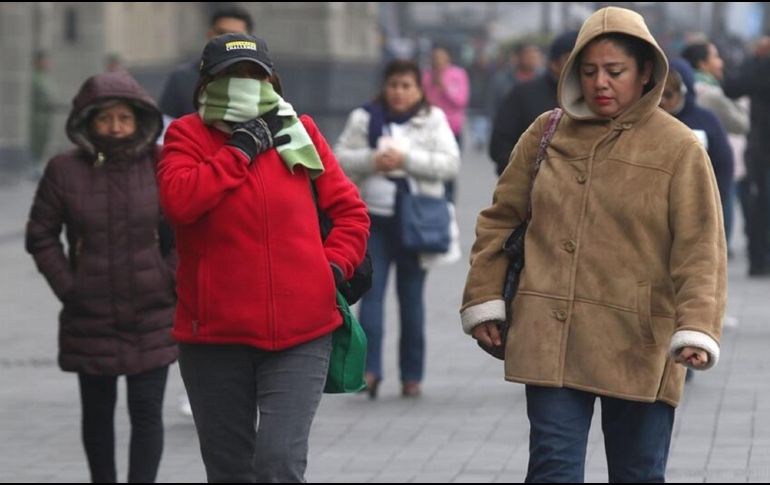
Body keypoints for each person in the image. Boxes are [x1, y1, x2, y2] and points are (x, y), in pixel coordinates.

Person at [460, 7, 725, 482]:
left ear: (646, 72)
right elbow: (500, 219)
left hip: (639, 340)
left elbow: (701, 248)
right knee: (552, 470)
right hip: (550, 334)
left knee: (637, 473)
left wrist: (697, 327)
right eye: (588, 71)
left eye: (614, 71)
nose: (600, 82)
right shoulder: (546, 131)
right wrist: (484, 298)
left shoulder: (679, 148)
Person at [156, 33, 369, 482]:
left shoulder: (300, 130)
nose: (244, 84)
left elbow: (350, 212)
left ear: (273, 80)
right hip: (214, 336)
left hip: (302, 330)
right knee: (230, 470)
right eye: (231, 75)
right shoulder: (186, 135)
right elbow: (179, 202)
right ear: (206, 84)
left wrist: (330, 267)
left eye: (254, 75)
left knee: (279, 463)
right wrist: (239, 150)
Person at [25, 70, 177, 483]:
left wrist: (168, 278)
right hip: (89, 313)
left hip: (153, 311)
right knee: (98, 415)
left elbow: (184, 227)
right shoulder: (64, 170)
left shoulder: (161, 163)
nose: (115, 127)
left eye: (124, 118)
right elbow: (40, 235)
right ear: (88, 121)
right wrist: (70, 287)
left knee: (147, 413)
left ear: (139, 119)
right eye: (105, 118)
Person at [335, 59, 460, 399]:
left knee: (411, 301)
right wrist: (372, 160)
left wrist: (405, 161)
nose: (400, 92)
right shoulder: (364, 118)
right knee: (370, 298)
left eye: (407, 86)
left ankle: (412, 375)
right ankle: (370, 370)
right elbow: (340, 158)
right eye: (394, 85)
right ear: (384, 87)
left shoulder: (432, 119)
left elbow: (450, 163)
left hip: (415, 223)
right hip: (372, 221)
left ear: (419, 89)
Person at [659, 59, 733, 247]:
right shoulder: (644, 122)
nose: (662, 101)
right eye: (657, 93)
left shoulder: (705, 120)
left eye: (668, 94)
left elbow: (724, 164)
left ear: (684, 91)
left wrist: (713, 206)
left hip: (698, 210)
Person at [489, 31, 578, 176]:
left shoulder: (591, 99)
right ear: (554, 64)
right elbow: (500, 146)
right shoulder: (523, 94)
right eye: (572, 60)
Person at [724, 35, 770, 276]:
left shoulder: (762, 66)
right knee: (761, 204)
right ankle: (760, 259)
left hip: (762, 149)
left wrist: (757, 58)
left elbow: (733, 85)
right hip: (762, 149)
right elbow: (734, 86)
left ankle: (760, 259)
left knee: (761, 205)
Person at [157, 6, 253, 119]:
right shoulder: (181, 78)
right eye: (221, 32)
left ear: (249, 40)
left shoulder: (259, 78)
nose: (226, 40)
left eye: (235, 35)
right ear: (209, 34)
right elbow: (165, 123)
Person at [422, 45, 468, 203]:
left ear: (448, 59)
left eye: (441, 58)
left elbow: (461, 101)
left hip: (452, 129)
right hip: (429, 130)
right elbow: (422, 102)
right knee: (430, 169)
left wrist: (445, 88)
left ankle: (449, 203)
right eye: (435, 59)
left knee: (449, 170)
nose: (438, 62)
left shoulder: (458, 74)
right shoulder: (426, 76)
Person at [29, 50, 56, 175]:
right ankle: (33, 164)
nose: (47, 63)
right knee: (36, 140)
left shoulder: (46, 77)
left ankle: (39, 163)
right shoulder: (34, 77)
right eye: (44, 61)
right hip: (37, 115)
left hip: (46, 114)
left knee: (44, 139)